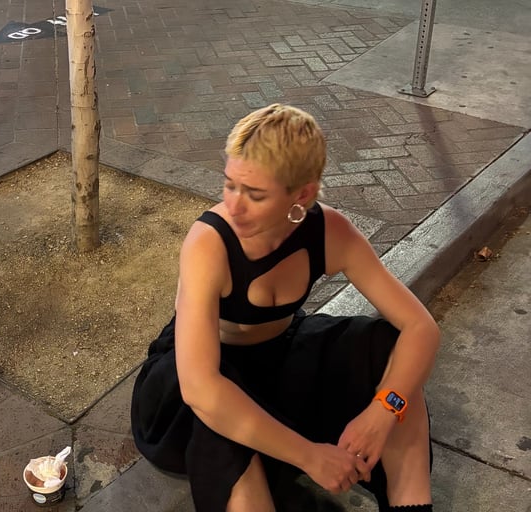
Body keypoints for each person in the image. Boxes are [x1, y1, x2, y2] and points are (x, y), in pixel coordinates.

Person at [130, 104, 440, 512]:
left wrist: (385, 410)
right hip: (199, 379)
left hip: (281, 358)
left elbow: (421, 328)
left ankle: (411, 505)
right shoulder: (208, 243)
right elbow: (201, 388)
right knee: (221, 422)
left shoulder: (330, 231)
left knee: (385, 347)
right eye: (229, 185)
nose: (234, 205)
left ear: (302, 194)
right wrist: (311, 457)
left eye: (255, 194)